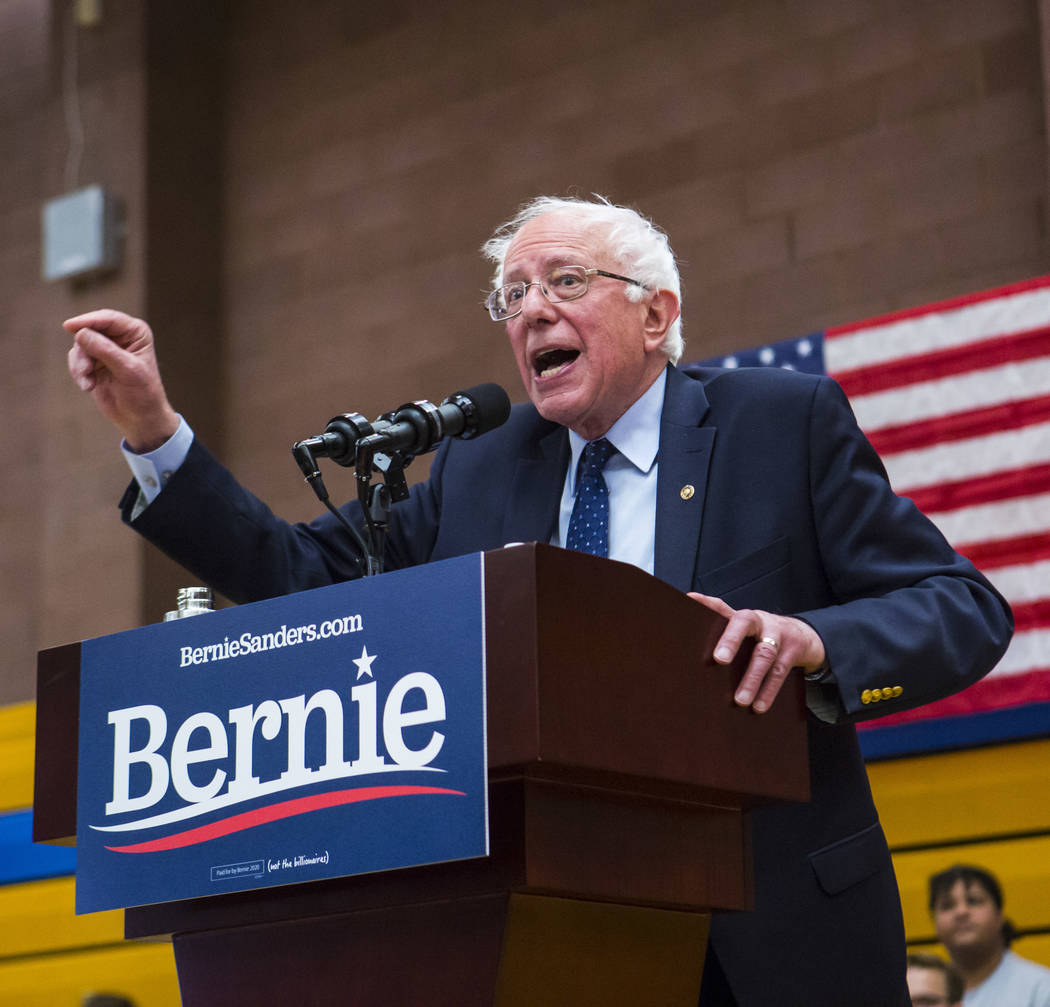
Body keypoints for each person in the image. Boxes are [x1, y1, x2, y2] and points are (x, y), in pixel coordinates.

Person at [65, 195, 1013, 1006]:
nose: (529, 313)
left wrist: (814, 638)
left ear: (656, 314)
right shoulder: (480, 466)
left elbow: (962, 607)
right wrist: (157, 435)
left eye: (564, 282)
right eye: (512, 296)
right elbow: (303, 573)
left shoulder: (780, 424)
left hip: (773, 932)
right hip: (548, 938)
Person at [930, 864, 1050, 1006]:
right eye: (947, 905)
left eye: (974, 901)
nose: (961, 912)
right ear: (934, 922)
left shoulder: (1041, 989)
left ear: (1000, 915)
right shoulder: (921, 992)